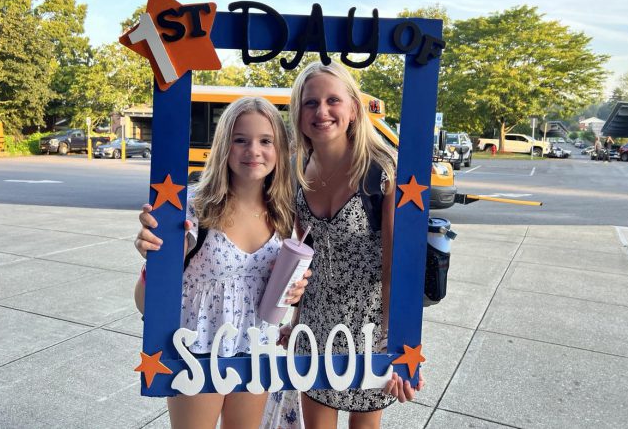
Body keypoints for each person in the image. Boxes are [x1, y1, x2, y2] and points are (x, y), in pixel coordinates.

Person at [134, 97, 310, 429]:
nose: (253, 150)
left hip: (256, 349)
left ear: (280, 148)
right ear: (223, 146)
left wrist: (294, 290)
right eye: (240, 140)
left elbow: (281, 298)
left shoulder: (287, 216)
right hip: (197, 349)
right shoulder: (190, 208)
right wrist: (153, 265)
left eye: (265, 141)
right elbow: (143, 303)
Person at [281, 60, 423, 429]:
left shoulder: (383, 172)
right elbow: (305, 258)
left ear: (354, 108)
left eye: (333, 100)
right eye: (310, 103)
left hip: (370, 329)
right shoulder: (296, 169)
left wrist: (399, 348)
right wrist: (293, 321)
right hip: (314, 327)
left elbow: (396, 270)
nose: (322, 111)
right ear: (298, 112)